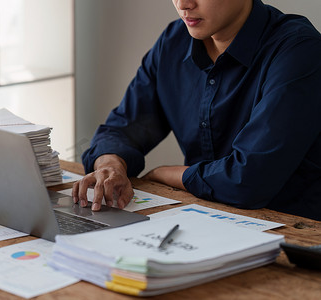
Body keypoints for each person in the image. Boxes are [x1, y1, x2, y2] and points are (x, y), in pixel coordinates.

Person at [72, 0, 321, 221]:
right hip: (200, 218)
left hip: (292, 235)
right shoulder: (173, 42)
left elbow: (249, 179)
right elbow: (125, 127)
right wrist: (111, 164)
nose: (183, 4)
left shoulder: (299, 50)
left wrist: (165, 174)